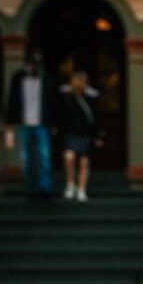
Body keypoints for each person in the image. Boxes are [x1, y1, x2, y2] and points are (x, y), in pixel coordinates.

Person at [5, 47, 56, 200]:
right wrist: (9, 125)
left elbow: (52, 102)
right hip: (24, 123)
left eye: (37, 64)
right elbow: (12, 100)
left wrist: (53, 123)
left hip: (42, 123)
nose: (34, 67)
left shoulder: (46, 79)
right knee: (26, 157)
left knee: (44, 156)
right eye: (32, 64)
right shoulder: (18, 78)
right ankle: (32, 187)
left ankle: (44, 187)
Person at [58, 71, 104, 202]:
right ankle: (70, 185)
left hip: (85, 133)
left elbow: (96, 117)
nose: (79, 83)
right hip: (71, 132)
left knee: (84, 162)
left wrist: (98, 135)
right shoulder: (65, 95)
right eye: (77, 80)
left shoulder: (91, 97)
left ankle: (82, 189)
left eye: (82, 80)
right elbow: (60, 113)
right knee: (69, 157)